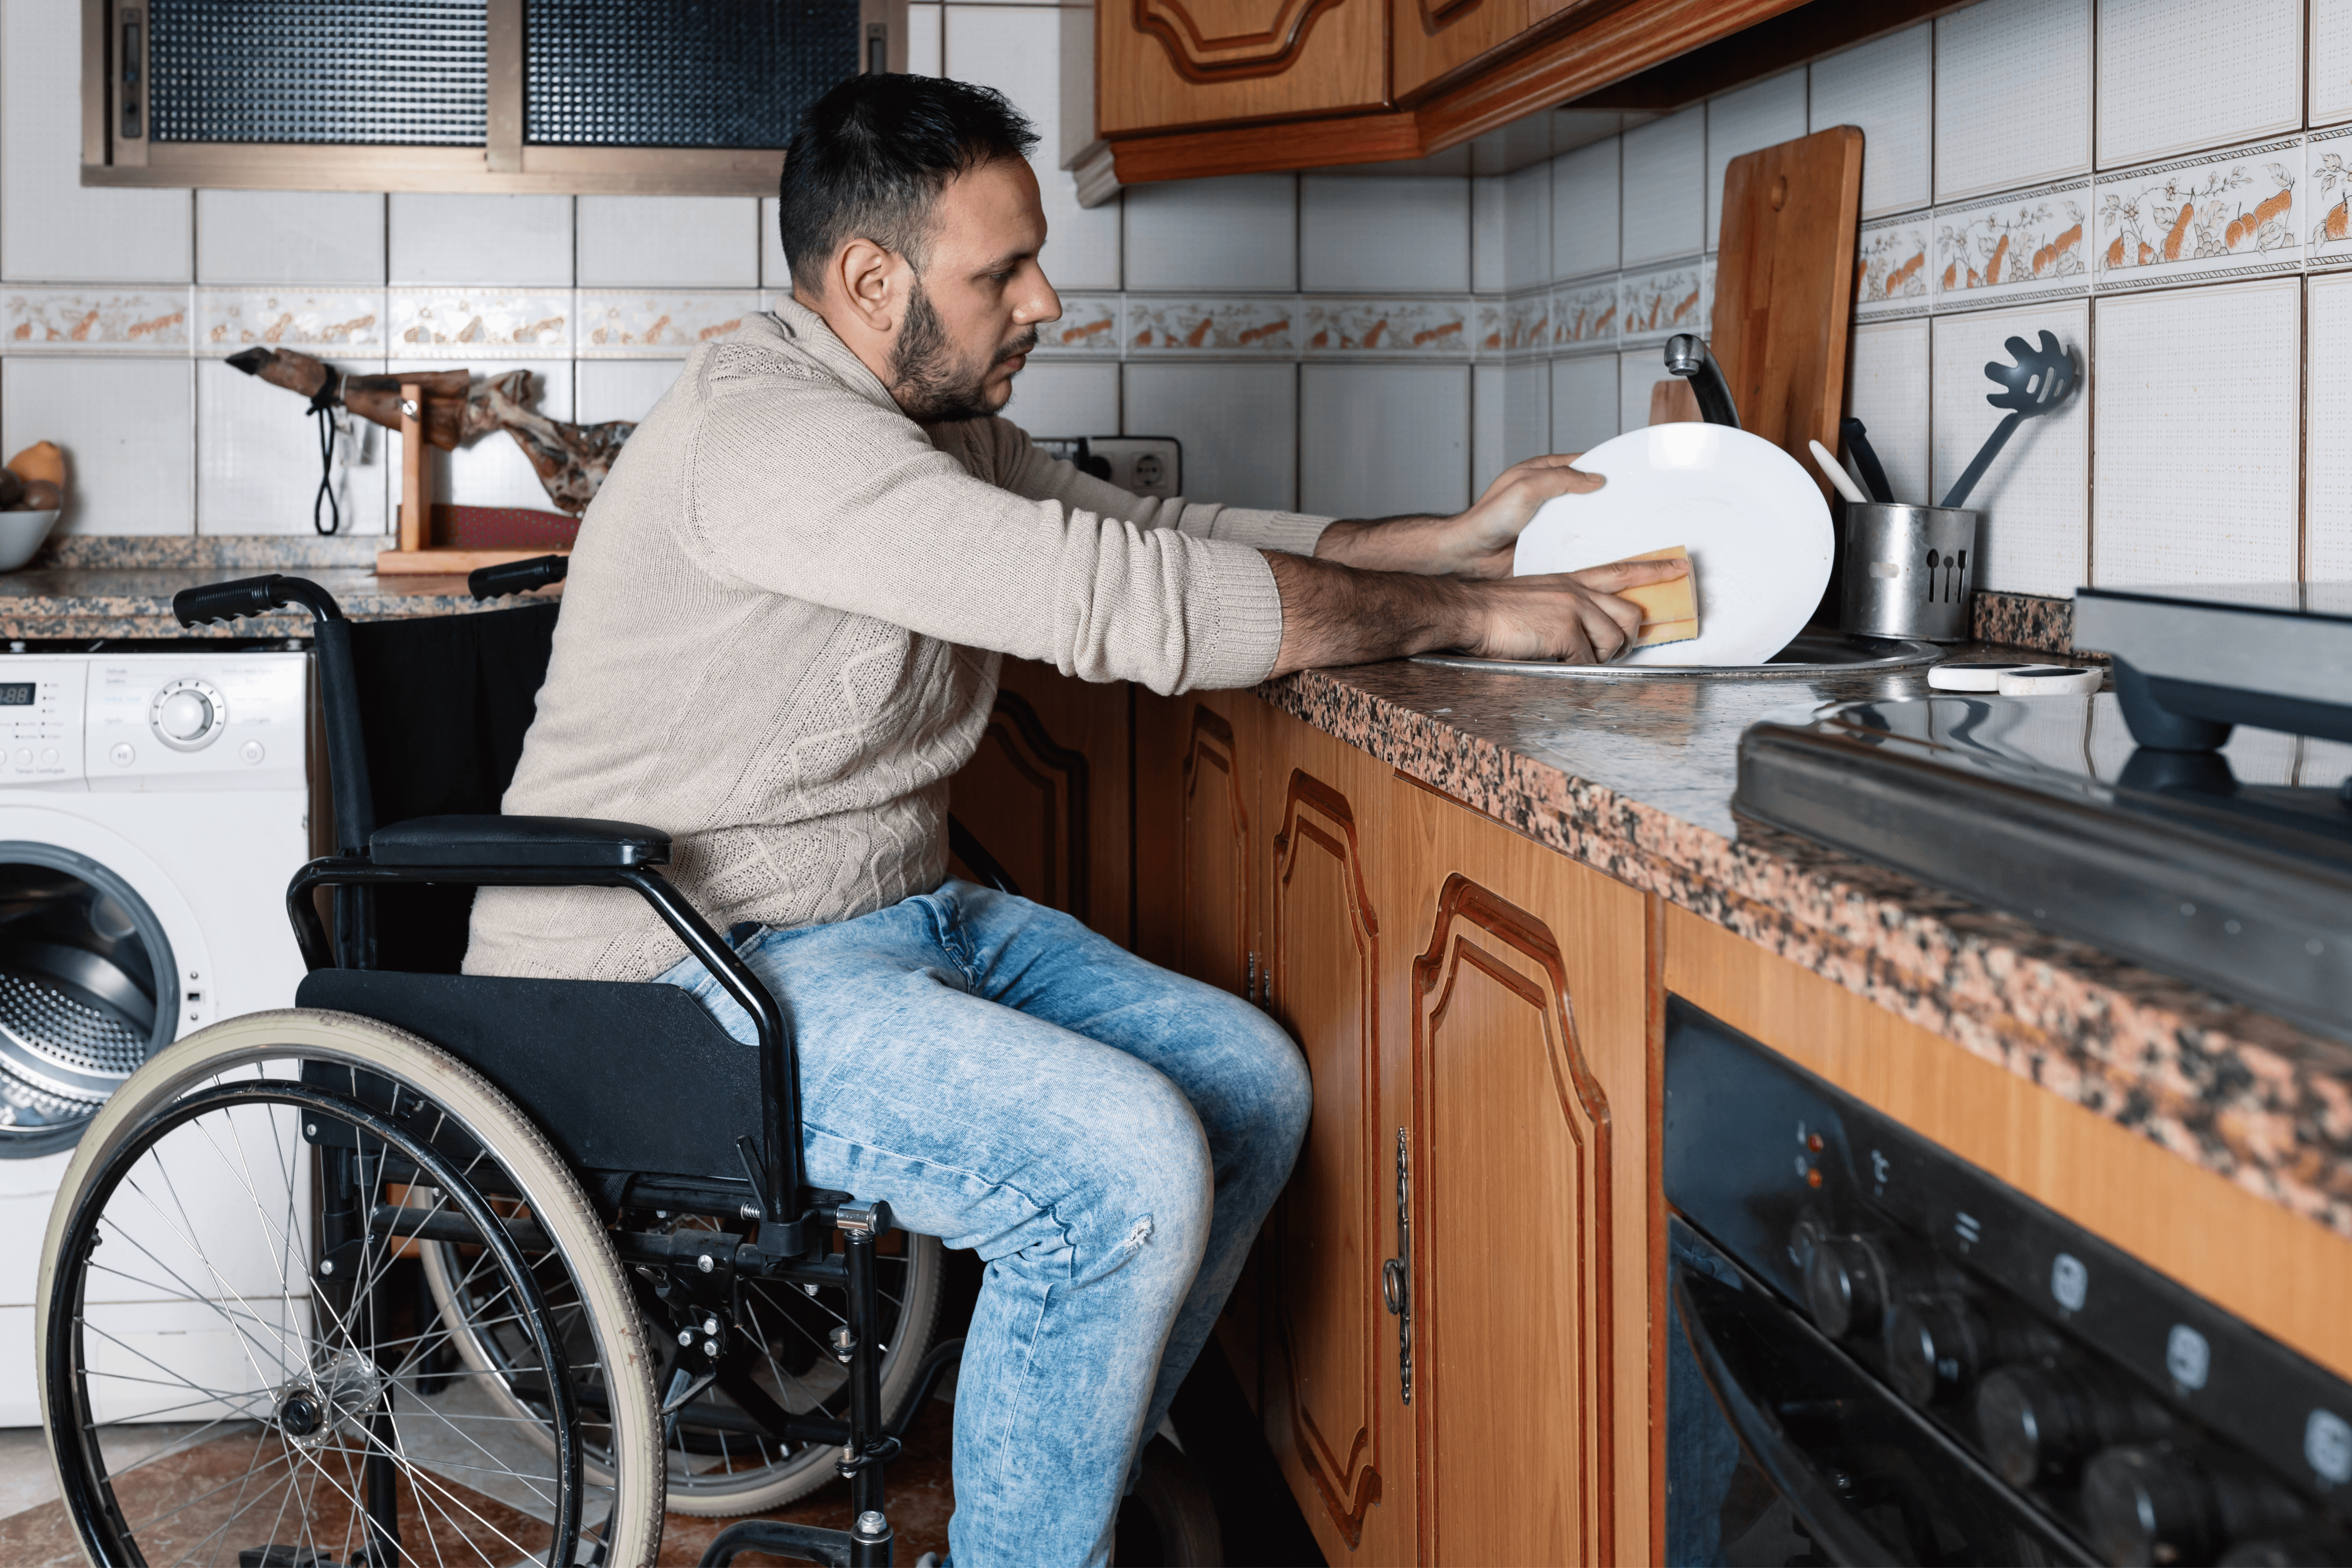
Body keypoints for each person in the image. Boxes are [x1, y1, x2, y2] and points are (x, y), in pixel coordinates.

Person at [463, 70, 1686, 1566]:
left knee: (1244, 1085)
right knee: (1114, 1172)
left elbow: (1146, 530)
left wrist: (1445, 540)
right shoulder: (771, 432)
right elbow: (1126, 601)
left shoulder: (925, 415)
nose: (1045, 299)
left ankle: (1054, 1509)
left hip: (873, 927)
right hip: (672, 973)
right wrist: (1471, 619)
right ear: (869, 278)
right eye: (1003, 271)